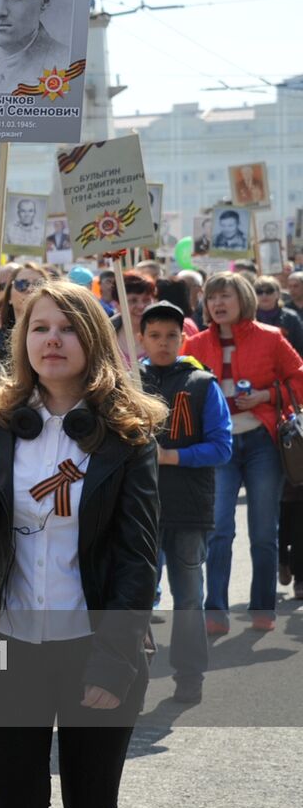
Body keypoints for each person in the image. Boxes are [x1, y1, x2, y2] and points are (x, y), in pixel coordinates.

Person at [0, 280, 166, 808]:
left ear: (93, 339)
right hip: (9, 646)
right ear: (21, 341)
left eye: (68, 328)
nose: (53, 339)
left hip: (94, 646)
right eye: (40, 328)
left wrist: (114, 661)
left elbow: (138, 560)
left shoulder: (128, 434)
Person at [181, 272, 303, 633]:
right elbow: (182, 388)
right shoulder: (196, 344)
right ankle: (214, 610)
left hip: (264, 442)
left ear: (244, 299)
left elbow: (299, 378)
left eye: (225, 296)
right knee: (219, 529)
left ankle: (262, 607)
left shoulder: (271, 338)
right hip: (218, 446)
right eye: (211, 297)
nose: (217, 304)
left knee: (264, 531)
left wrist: (266, 396)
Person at [138, 301, 232, 704]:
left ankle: (190, 675)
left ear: (183, 337)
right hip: (140, 509)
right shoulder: (128, 384)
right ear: (141, 338)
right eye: (155, 335)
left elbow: (222, 447)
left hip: (189, 509)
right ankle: (130, 679)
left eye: (171, 336)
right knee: (137, 595)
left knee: (189, 596)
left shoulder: (202, 384)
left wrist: (173, 456)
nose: (163, 343)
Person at [0, 262, 55, 366]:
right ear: (9, 296)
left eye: (38, 284)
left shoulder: (56, 334)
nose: (30, 289)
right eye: (22, 284)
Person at [111, 270, 156, 366]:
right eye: (133, 300)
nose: (141, 306)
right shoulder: (103, 337)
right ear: (117, 304)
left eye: (146, 300)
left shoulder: (166, 333)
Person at [252, 276, 303, 356]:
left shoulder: (291, 318)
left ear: (278, 294)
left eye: (269, 291)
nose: (264, 295)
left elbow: (300, 347)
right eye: (259, 292)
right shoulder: (248, 318)